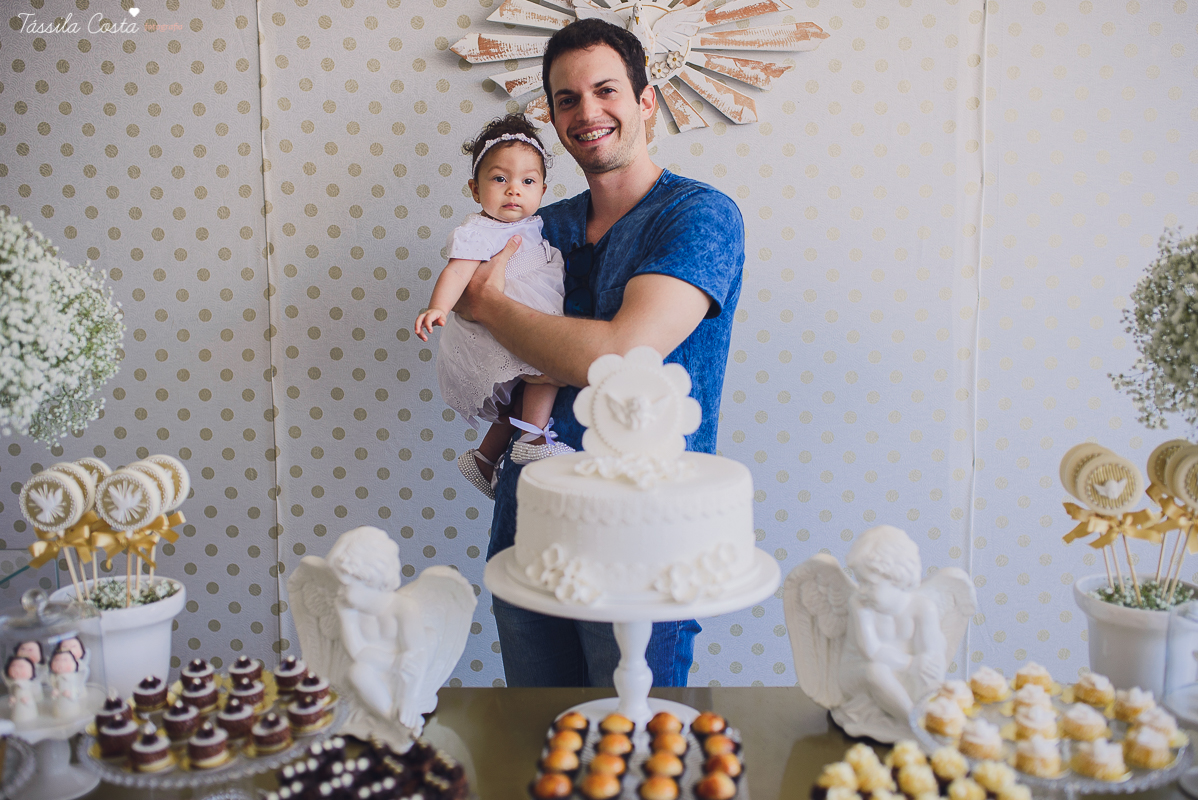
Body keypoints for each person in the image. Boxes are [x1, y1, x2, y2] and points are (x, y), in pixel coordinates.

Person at [455, 18, 746, 687]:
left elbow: (619, 354)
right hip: (529, 529)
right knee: (541, 749)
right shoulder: (538, 223)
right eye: (566, 98)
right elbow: (470, 340)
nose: (587, 111)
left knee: (633, 752)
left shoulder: (698, 217)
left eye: (606, 90)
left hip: (642, 541)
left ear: (646, 101)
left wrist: (497, 308)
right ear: (552, 118)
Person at [414, 116, 573, 501]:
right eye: (499, 179)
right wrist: (438, 307)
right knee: (550, 368)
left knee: (523, 392)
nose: (513, 190)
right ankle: (532, 440)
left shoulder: (537, 223)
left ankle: (485, 457)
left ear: (543, 190)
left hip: (520, 316)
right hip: (498, 330)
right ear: (475, 188)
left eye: (527, 182)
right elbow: (457, 270)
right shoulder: (480, 231)